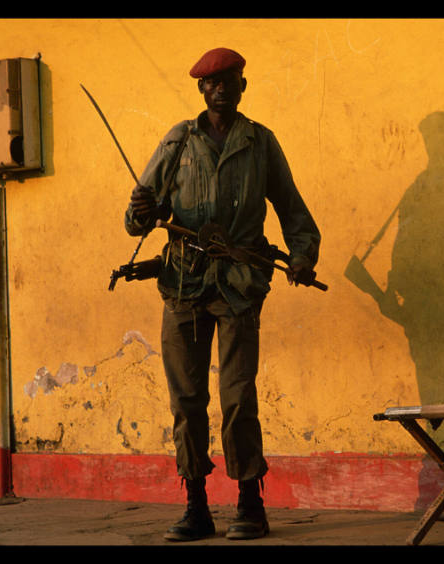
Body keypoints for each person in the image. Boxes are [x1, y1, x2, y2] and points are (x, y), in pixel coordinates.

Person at [124, 47, 321, 541]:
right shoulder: (176, 142)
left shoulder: (260, 143)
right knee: (186, 401)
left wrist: (302, 255)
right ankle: (196, 508)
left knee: (237, 398)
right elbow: (136, 222)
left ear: (241, 86)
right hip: (183, 288)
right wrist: (141, 209)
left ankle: (250, 504)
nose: (220, 89)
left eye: (229, 80)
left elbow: (292, 208)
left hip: (239, 287)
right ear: (201, 90)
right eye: (212, 82)